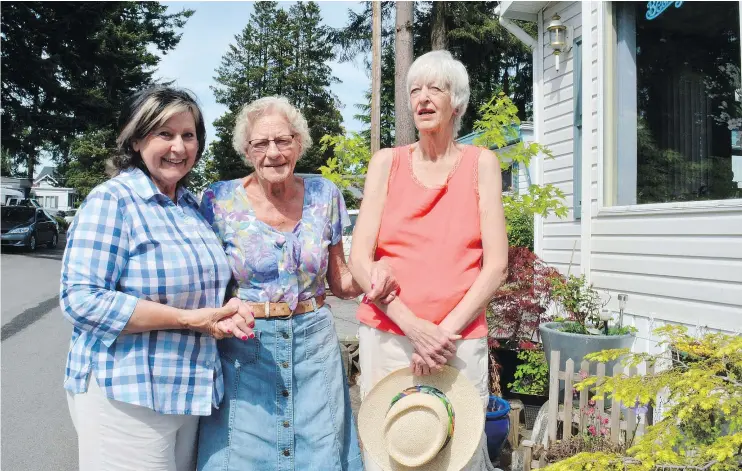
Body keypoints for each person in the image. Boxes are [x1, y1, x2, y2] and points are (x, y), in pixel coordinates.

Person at [195, 96, 397, 471]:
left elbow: (340, 280)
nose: (273, 152)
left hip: (313, 345)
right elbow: (206, 282)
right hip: (246, 348)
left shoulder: (325, 194)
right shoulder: (218, 200)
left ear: (299, 144)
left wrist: (378, 272)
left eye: (283, 140)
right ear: (246, 150)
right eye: (261, 143)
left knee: (318, 454)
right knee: (241, 457)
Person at [60, 86, 254, 471]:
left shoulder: (190, 206)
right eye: (164, 134)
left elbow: (207, 288)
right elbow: (81, 299)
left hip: (188, 392)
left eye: (188, 135)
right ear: (135, 139)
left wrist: (229, 307)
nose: (179, 147)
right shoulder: (113, 201)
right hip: (128, 395)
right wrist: (185, 319)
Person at [350, 50, 509, 470]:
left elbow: (496, 266)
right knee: (391, 451)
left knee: (457, 454)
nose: (422, 98)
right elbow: (359, 260)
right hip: (388, 334)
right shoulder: (386, 163)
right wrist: (414, 328)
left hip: (458, 339)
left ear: (456, 101)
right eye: (414, 90)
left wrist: (440, 335)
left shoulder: (482, 164)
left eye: (435, 88)